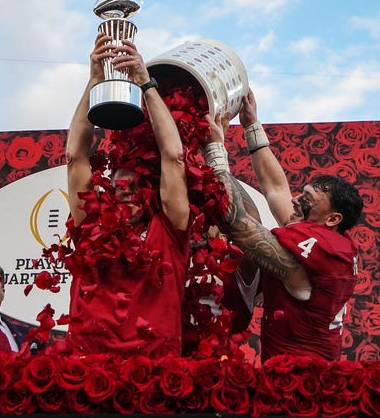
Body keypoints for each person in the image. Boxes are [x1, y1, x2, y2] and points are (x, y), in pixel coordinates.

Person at [204, 88, 363, 362]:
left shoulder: (316, 257)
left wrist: (215, 150)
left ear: (333, 218)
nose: (295, 201)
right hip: (289, 373)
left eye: (307, 199)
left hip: (303, 383)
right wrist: (251, 124)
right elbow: (275, 188)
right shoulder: (316, 228)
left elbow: (236, 222)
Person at [65, 33, 191, 358]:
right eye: (119, 188)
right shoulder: (90, 226)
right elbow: (75, 157)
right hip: (88, 376)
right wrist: (94, 80)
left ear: (151, 192)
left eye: (135, 189)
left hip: (156, 382)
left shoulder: (169, 231)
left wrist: (146, 84)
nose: (126, 196)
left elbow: (174, 157)